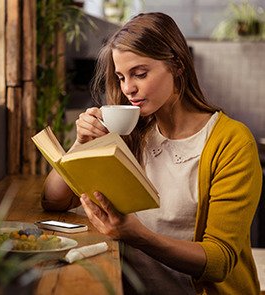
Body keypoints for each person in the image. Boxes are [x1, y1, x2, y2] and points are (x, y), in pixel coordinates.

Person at [41, 12, 262, 294]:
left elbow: (219, 261)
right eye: (121, 77)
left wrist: (138, 236)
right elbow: (53, 200)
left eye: (140, 74)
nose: (127, 88)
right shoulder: (132, 134)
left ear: (178, 66)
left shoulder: (231, 142)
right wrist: (80, 143)